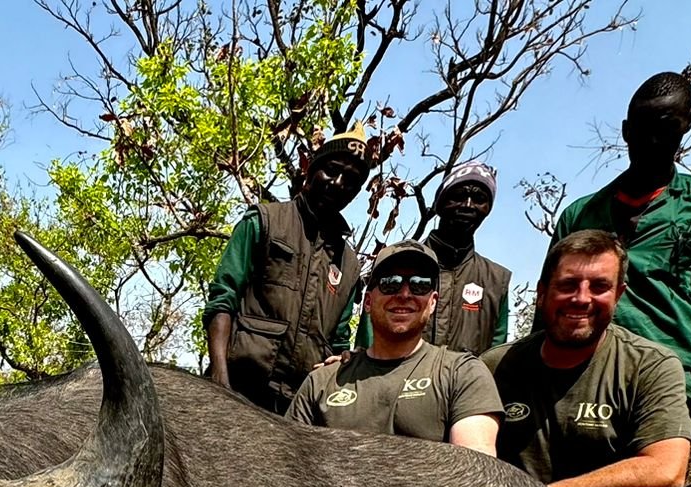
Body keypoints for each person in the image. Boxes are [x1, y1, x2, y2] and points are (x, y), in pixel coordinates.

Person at [484, 229, 691, 487]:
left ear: (618, 294)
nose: (581, 298)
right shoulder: (495, 366)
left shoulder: (651, 364)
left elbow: (667, 469)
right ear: (541, 293)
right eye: (567, 285)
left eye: (599, 286)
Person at [550, 72, 691, 406]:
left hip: (666, 381)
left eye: (666, 128)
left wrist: (674, 352)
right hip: (579, 376)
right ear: (626, 131)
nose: (651, 141)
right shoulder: (579, 215)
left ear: (688, 123)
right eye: (640, 130)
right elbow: (550, 306)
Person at [204, 132, 367, 414]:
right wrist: (220, 383)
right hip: (238, 389)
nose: (338, 183)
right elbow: (223, 299)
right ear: (310, 169)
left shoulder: (349, 264)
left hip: (300, 407)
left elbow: (339, 340)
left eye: (351, 181)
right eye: (331, 171)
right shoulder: (264, 221)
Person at [287, 240, 502, 453]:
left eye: (420, 285)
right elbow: (288, 466)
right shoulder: (322, 382)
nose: (404, 294)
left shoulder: (464, 375)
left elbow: (476, 472)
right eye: (390, 283)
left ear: (433, 301)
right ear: (368, 302)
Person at [356, 161, 510, 354]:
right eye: (459, 196)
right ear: (439, 203)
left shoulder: (497, 281)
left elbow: (495, 357)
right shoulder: (396, 260)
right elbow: (366, 343)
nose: (468, 205)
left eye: (479, 198)